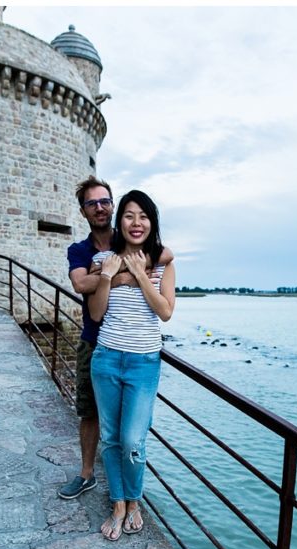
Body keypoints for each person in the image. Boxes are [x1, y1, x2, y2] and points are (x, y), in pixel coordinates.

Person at [59, 177, 172, 500]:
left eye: (105, 201)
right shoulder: (81, 250)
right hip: (96, 340)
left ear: (113, 205)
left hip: (135, 347)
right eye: (92, 203)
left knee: (129, 432)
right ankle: (86, 474)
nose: (100, 208)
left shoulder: (128, 239)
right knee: (89, 412)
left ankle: (124, 493)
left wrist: (135, 266)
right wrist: (122, 276)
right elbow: (81, 285)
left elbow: (165, 255)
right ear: (83, 211)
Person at [87, 189, 175, 540]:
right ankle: (119, 503)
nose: (136, 222)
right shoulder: (104, 259)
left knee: (132, 439)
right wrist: (108, 275)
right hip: (107, 358)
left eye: (143, 216)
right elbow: (96, 313)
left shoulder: (163, 261)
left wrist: (140, 274)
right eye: (128, 215)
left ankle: (134, 499)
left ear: (151, 222)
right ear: (119, 221)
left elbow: (166, 312)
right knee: (110, 438)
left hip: (143, 363)